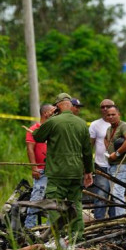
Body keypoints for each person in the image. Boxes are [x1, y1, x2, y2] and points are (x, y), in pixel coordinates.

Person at [32, 93, 93, 242]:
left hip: (57, 172)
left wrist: (47, 118)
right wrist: (88, 171)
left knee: (55, 204)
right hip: (76, 171)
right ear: (71, 105)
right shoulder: (81, 124)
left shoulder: (53, 122)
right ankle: (77, 236)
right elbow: (87, 151)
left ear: (57, 106)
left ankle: (55, 235)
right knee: (75, 204)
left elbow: (37, 136)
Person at [24, 104, 56, 228]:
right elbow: (30, 149)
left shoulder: (54, 129)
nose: (55, 113)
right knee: (37, 197)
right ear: (46, 113)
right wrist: (34, 167)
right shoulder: (34, 129)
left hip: (54, 170)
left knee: (53, 199)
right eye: (52, 111)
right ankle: (29, 227)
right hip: (41, 169)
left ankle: (49, 228)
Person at [103, 106, 126, 217]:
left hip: (121, 165)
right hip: (111, 165)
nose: (111, 117)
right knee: (114, 193)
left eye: (113, 114)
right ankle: (117, 217)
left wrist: (117, 154)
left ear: (119, 115)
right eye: (108, 115)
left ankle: (122, 219)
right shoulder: (109, 129)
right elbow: (106, 139)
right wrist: (108, 150)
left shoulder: (123, 126)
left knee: (117, 193)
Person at [89, 99, 115, 220]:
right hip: (101, 165)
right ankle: (99, 220)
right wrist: (87, 164)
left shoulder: (120, 124)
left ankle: (114, 220)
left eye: (108, 106)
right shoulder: (95, 125)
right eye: (102, 107)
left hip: (116, 165)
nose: (105, 109)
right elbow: (90, 145)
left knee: (115, 194)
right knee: (101, 193)